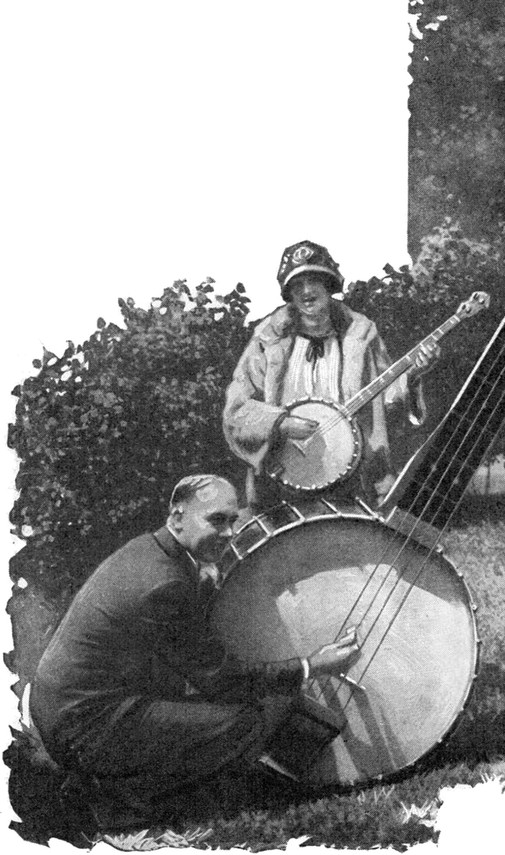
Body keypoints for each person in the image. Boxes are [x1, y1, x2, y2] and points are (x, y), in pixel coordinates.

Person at [29, 474, 360, 827]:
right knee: (242, 722)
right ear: (177, 517)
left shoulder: (149, 548)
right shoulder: (164, 583)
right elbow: (224, 681)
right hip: (82, 728)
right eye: (216, 521)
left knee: (190, 700)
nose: (230, 532)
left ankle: (115, 783)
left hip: (61, 707)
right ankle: (120, 802)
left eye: (232, 521)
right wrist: (311, 664)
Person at [223, 239, 439, 510]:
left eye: (314, 281)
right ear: (289, 293)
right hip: (284, 485)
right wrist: (280, 424)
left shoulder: (361, 335)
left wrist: (414, 373)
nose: (306, 291)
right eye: (297, 285)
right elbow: (237, 411)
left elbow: (385, 397)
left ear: (329, 285)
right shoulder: (268, 340)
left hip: (352, 482)